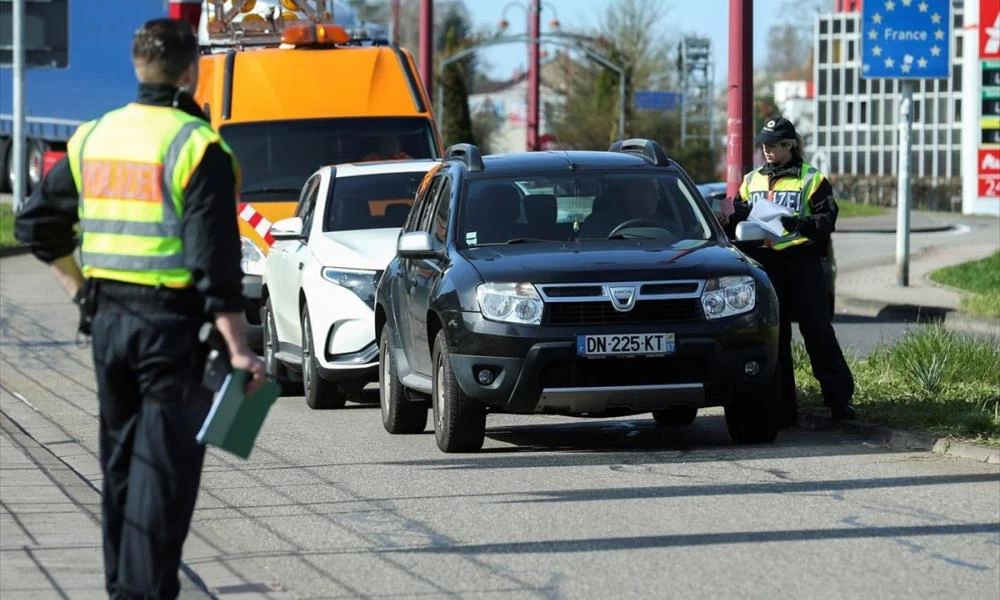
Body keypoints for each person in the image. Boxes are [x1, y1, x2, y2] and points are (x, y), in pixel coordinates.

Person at [14, 18, 265, 600]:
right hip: (171, 331)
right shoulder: (197, 147)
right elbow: (214, 264)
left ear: (136, 66)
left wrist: (82, 291)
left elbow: (35, 225)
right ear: (191, 71)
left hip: (108, 323)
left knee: (123, 465)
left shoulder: (93, 137)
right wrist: (239, 349)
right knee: (165, 473)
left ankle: (122, 588)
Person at [723, 116, 856, 427]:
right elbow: (738, 215)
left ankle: (839, 400)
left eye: (773, 145)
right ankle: (783, 409)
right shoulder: (751, 180)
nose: (766, 150)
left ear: (789, 145)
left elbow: (826, 222)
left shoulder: (812, 179)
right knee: (776, 337)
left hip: (801, 262)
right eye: (763, 145)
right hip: (765, 263)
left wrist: (798, 223)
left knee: (817, 332)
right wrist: (731, 214)